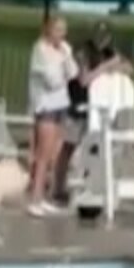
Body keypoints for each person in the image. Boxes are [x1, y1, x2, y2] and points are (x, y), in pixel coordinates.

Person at [54, 21, 134, 206]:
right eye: (100, 36)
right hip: (79, 105)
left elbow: (128, 68)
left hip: (98, 108)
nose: (103, 40)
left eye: (106, 37)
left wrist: (116, 67)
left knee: (94, 148)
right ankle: (59, 187)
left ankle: (90, 186)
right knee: (69, 146)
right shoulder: (84, 53)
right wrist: (105, 68)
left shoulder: (109, 52)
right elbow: (84, 80)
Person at [27, 15, 80, 218]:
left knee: (52, 156)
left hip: (61, 104)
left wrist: (66, 56)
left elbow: (73, 73)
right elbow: (53, 81)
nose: (61, 34)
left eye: (63, 30)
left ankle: (44, 197)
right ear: (48, 30)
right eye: (57, 29)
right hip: (46, 105)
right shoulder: (40, 50)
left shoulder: (64, 49)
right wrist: (61, 63)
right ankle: (34, 198)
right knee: (42, 154)